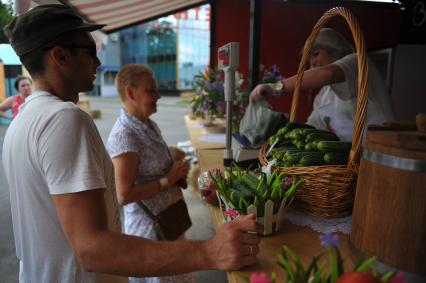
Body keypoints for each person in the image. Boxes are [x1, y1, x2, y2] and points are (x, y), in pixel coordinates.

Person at [2, 4, 261, 283]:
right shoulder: (64, 119)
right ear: (60, 56)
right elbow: (92, 250)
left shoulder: (21, 121)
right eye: (90, 52)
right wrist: (211, 251)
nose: (98, 63)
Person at [107, 64, 193, 283]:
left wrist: (175, 167)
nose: (158, 96)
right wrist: (168, 179)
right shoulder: (124, 135)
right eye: (151, 91)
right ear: (130, 92)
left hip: (170, 223)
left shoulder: (148, 124)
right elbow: (123, 195)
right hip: (151, 232)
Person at [250, 28, 395, 141]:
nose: (312, 63)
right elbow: (312, 126)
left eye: (315, 54)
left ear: (334, 48)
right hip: (353, 163)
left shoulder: (357, 62)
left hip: (382, 152)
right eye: (308, 61)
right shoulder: (324, 95)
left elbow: (328, 74)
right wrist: (276, 127)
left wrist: (275, 87)